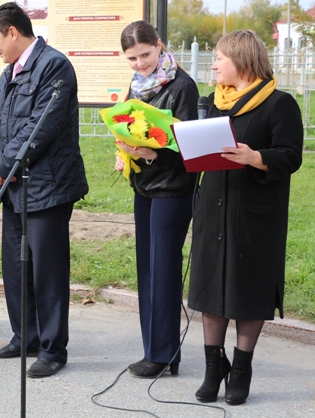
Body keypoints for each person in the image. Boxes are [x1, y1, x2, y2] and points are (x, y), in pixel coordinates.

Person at [188, 30, 303, 405]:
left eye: (220, 57)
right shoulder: (212, 103)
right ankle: (212, 367)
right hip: (213, 208)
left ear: (241, 60)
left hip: (255, 215)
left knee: (248, 290)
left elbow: (290, 155)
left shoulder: (279, 104)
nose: (215, 64)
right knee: (209, 289)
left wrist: (257, 158)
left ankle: (241, 370)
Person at [0, 2, 88, 378]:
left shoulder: (54, 66)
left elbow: (41, 128)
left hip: (48, 187)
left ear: (13, 32)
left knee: (47, 271)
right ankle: (23, 337)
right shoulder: (10, 70)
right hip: (12, 186)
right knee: (15, 267)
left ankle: (52, 349)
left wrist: (7, 162)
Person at [113, 20, 199, 378]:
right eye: (132, 58)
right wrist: (126, 152)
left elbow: (192, 147)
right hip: (144, 187)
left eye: (145, 55)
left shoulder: (183, 86)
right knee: (147, 268)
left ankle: (163, 354)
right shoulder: (137, 85)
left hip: (174, 187)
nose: (140, 64)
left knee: (163, 270)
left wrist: (149, 155)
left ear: (160, 45)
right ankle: (157, 350)